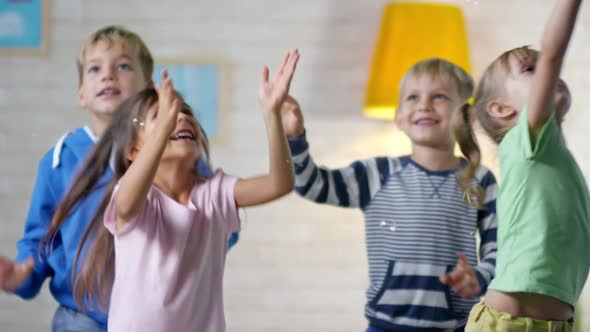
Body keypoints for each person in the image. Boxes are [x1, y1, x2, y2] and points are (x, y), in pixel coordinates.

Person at [43, 49, 299, 332]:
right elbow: (128, 204)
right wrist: (165, 125)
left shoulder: (216, 193)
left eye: (186, 113)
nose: (181, 118)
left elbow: (281, 183)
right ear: (134, 149)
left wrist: (271, 115)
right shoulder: (134, 198)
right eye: (163, 116)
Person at [282, 58, 497, 331]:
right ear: (398, 117)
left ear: (467, 116)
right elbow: (311, 184)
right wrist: (295, 138)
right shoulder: (377, 173)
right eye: (413, 97)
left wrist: (479, 277)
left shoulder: (480, 180)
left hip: (455, 326)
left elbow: (498, 247)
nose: (424, 105)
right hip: (384, 325)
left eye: (439, 96)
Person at [454, 1, 589, 331]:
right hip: (507, 323)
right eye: (533, 69)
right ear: (501, 109)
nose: (548, 70)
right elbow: (553, 53)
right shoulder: (525, 140)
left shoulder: (558, 161)